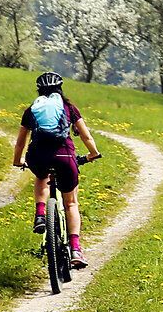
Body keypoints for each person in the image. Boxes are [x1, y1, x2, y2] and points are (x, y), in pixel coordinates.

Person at [11, 71, 101, 269]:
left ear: (39, 91)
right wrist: (93, 153)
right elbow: (86, 137)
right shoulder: (68, 107)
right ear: (60, 89)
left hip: (37, 156)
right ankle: (76, 249)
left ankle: (40, 214)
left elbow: (20, 142)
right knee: (71, 204)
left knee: (41, 177)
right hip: (65, 157)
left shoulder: (32, 109)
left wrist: (17, 161)